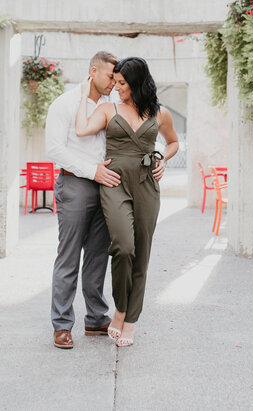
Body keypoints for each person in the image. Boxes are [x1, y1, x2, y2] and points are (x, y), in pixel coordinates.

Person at [75, 56, 179, 347]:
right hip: (115, 184)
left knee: (142, 254)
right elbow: (82, 129)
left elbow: (173, 143)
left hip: (147, 185)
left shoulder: (160, 114)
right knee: (123, 247)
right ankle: (120, 307)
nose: (116, 87)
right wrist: (85, 97)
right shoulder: (108, 109)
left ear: (136, 83)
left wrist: (162, 158)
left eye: (122, 83)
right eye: (115, 81)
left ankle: (129, 320)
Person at [45, 50, 122, 350]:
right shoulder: (64, 104)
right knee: (69, 256)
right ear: (93, 71)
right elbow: (54, 149)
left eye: (117, 79)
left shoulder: (110, 105)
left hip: (105, 187)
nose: (113, 83)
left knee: (97, 256)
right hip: (76, 185)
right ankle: (62, 325)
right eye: (109, 77)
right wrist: (92, 172)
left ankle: (96, 318)